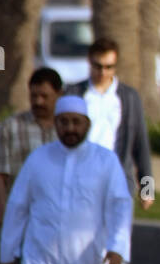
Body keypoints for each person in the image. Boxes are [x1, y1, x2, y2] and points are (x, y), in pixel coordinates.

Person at [0, 96, 133, 264]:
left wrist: (117, 248)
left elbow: (120, 205)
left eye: (76, 122)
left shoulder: (105, 161)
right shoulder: (38, 159)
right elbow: (17, 207)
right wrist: (7, 255)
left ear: (87, 124)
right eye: (63, 122)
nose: (70, 128)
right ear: (56, 123)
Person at [0, 67, 61, 264]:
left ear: (58, 95)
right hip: (19, 224)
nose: (38, 101)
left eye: (44, 96)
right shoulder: (12, 126)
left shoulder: (67, 130)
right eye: (34, 96)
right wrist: (3, 217)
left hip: (55, 228)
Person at [65, 38, 154, 211]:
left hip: (118, 180)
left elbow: (141, 144)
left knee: (117, 236)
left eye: (109, 67)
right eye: (98, 66)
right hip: (80, 180)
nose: (103, 72)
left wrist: (147, 189)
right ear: (89, 62)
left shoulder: (129, 97)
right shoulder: (74, 93)